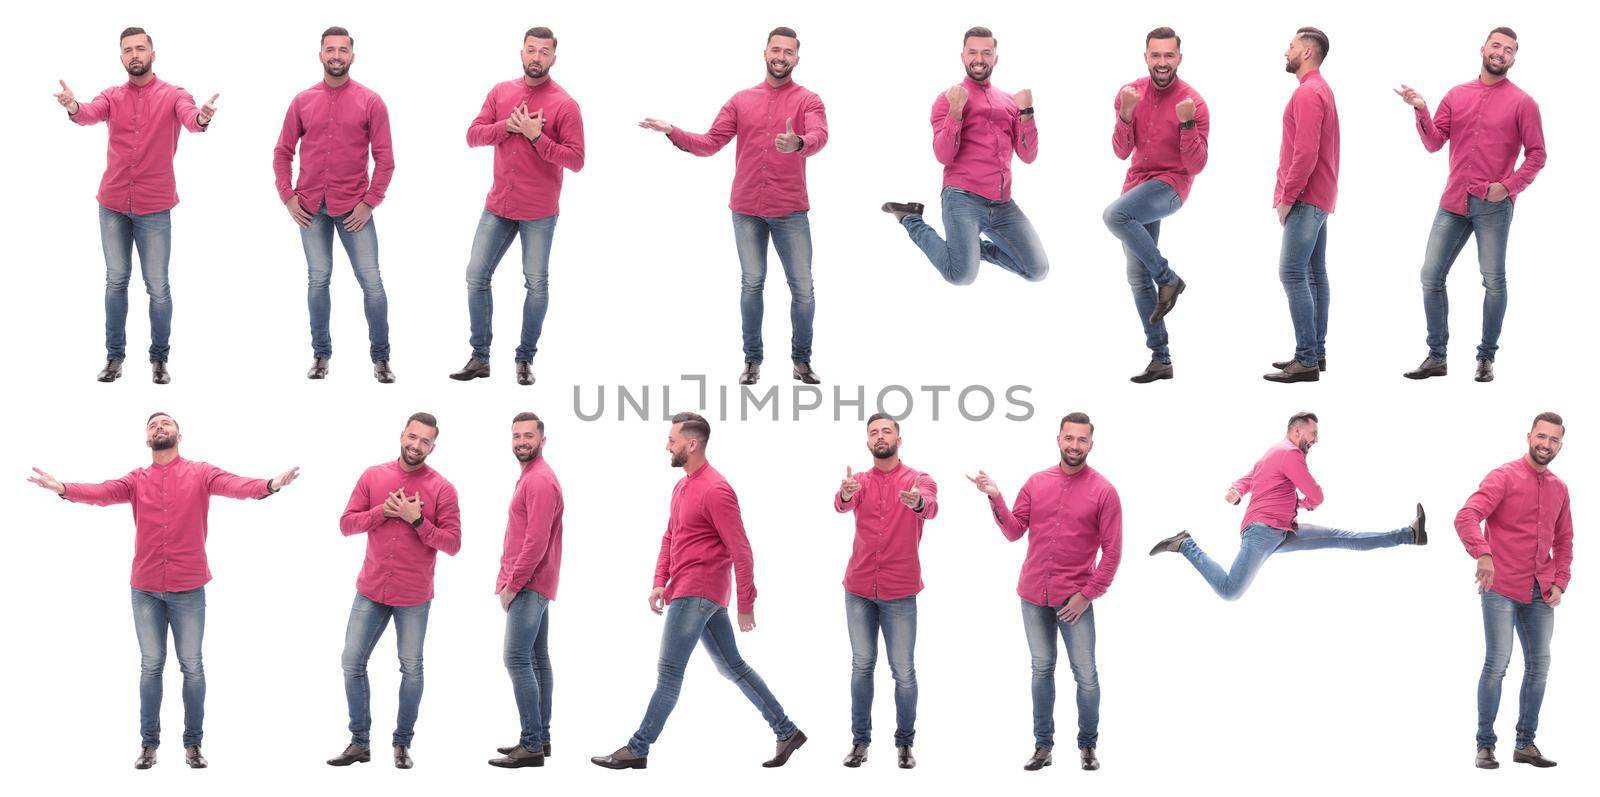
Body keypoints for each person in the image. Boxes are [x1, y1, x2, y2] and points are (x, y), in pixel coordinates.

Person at [27, 412, 298, 769]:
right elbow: (102, 492)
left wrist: (269, 485)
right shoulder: (136, 480)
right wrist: (64, 489)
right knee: (151, 667)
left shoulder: (201, 473)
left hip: (189, 588)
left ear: (178, 435)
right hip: (146, 589)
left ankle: (193, 745)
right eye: (153, 425)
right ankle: (149, 745)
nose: (159, 427)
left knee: (193, 667)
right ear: (147, 440)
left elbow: (235, 485)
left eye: (165, 423)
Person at [592, 413, 806, 769]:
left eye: (672, 440)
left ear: (692, 444)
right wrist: (660, 580)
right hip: (689, 591)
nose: (667, 446)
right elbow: (671, 536)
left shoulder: (716, 489)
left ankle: (638, 748)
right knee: (733, 666)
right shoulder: (682, 486)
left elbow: (742, 549)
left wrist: (746, 602)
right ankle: (786, 731)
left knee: (669, 674)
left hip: (698, 593)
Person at [638, 27, 827, 386]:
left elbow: (820, 135)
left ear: (797, 59)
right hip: (746, 209)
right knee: (751, 283)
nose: (781, 57)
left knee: (802, 287)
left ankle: (802, 362)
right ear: (765, 53)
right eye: (776, 50)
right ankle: (752, 360)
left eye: (789, 52)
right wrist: (672, 131)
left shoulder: (809, 100)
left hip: (790, 210)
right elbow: (710, 142)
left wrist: (799, 142)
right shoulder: (741, 100)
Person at [56, 27, 218, 384]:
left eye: (140, 48)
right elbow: (89, 113)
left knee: (157, 286)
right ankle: (114, 358)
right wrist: (73, 106)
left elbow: (191, 119)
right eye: (128, 49)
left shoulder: (174, 94)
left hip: (154, 207)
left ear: (153, 54)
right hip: (112, 203)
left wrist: (203, 117)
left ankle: (159, 359)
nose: (134, 54)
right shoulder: (112, 96)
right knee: (116, 281)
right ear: (121, 57)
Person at [970, 412, 1121, 772]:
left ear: (1091, 445)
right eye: (1069, 438)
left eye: (1082, 440)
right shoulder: (1037, 482)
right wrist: (995, 497)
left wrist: (1087, 595)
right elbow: (1013, 530)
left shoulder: (1104, 491)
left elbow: (1113, 553)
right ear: (1058, 439)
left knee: (1086, 674)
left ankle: (1087, 746)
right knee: (1041, 670)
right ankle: (1043, 746)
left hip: (1075, 602)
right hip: (1033, 596)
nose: (1074, 445)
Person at [1398, 28, 1546, 384]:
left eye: (1509, 50)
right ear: (1483, 49)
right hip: (1453, 201)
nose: (1501, 53)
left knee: (1493, 280)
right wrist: (1421, 110)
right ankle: (1437, 357)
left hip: (1493, 205)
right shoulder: (1457, 94)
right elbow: (1435, 142)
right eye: (1496, 45)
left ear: (1514, 59)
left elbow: (1538, 155)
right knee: (1430, 276)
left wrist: (1508, 187)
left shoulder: (1524, 103)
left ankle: (1486, 358)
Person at [1150, 412, 1425, 599]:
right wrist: (1306, 503)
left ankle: (1410, 534)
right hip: (1264, 532)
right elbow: (1316, 494)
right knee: (1229, 591)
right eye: (1313, 433)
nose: (1316, 439)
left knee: (1345, 539)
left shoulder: (1276, 450)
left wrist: (1237, 489)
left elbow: (1251, 476)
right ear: (1297, 431)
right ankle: (1185, 544)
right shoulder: (1290, 454)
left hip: (1281, 531)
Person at [451, 27, 586, 386]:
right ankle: (480, 358)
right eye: (531, 50)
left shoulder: (565, 104)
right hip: (498, 205)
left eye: (544, 52)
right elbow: (472, 135)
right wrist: (505, 127)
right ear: (521, 53)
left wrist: (536, 136)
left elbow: (576, 160)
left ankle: (525, 359)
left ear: (553, 59)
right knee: (475, 276)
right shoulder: (501, 92)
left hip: (539, 210)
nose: (536, 57)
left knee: (536, 283)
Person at [327, 413, 461, 770]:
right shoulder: (373, 476)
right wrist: (381, 512)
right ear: (402, 434)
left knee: (412, 668)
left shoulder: (443, 489)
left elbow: (453, 544)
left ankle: (402, 743)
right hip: (370, 590)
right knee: (351, 661)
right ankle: (359, 742)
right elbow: (345, 524)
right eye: (413, 437)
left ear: (434, 446)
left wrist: (417, 520)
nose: (416, 446)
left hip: (414, 595)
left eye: (425, 441)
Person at [274, 26, 395, 383]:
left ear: (353, 56)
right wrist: (288, 196)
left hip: (353, 209)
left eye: (343, 50)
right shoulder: (302, 100)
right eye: (331, 50)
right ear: (321, 54)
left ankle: (382, 359)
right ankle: (321, 355)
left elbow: (385, 159)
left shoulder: (371, 102)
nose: (337, 56)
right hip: (310, 208)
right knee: (318, 280)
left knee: (371, 282)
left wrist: (370, 202)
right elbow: (282, 152)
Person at [882, 26, 1047, 286]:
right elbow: (944, 156)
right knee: (961, 275)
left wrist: (1027, 111)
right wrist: (956, 111)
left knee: (1037, 270)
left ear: (995, 58)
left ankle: (968, 249)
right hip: (962, 197)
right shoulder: (947, 99)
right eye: (972, 52)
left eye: (986, 52)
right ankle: (911, 218)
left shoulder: (1009, 102)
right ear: (962, 56)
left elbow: (1028, 156)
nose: (978, 59)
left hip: (1002, 204)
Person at [1456, 412, 1571, 769]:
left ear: (1560, 445)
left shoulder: (1559, 489)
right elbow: (1466, 515)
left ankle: (1525, 744)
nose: (1546, 444)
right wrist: (1483, 552)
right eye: (1541, 436)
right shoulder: (1503, 477)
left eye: (1553, 440)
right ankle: (1485, 745)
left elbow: (1565, 540)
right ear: (1529, 437)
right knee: (1497, 664)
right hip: (1501, 586)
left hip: (1540, 590)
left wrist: (1560, 581)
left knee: (1539, 667)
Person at [834, 414, 938, 769]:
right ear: (867, 443)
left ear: (899, 438)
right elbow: (842, 503)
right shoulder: (859, 481)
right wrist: (845, 494)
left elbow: (931, 505)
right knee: (861, 666)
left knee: (903, 670)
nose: (880, 437)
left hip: (900, 591)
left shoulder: (918, 479)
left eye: (887, 431)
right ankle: (860, 742)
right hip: (859, 588)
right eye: (873, 433)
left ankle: (905, 743)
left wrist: (918, 504)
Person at [1106, 27, 1209, 383]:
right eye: (1155, 55)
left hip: (1171, 185)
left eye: (1169, 56)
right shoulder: (1129, 93)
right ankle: (1160, 358)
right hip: (1137, 185)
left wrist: (1187, 124)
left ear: (1179, 58)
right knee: (1136, 277)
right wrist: (1126, 114)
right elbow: (1121, 151)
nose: (1162, 62)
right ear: (1146, 57)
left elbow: (1196, 166)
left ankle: (1168, 279)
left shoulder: (1192, 103)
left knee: (1114, 214)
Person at [489, 412, 564, 768]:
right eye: (517, 435)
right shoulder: (532, 477)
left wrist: (511, 586)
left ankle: (531, 743)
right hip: (537, 583)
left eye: (529, 436)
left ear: (542, 440)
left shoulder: (539, 481)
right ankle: (540, 737)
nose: (522, 441)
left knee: (516, 659)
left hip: (530, 583)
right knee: (537, 660)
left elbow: (534, 543)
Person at [1264, 28, 1339, 383]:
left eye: (1291, 45)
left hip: (1307, 197)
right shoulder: (1320, 90)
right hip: (1321, 196)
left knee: (1292, 273)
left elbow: (1305, 153)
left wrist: (1287, 197)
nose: (1286, 51)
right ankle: (1316, 351)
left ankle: (1306, 357)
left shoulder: (1308, 93)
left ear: (1307, 52)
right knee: (1314, 275)